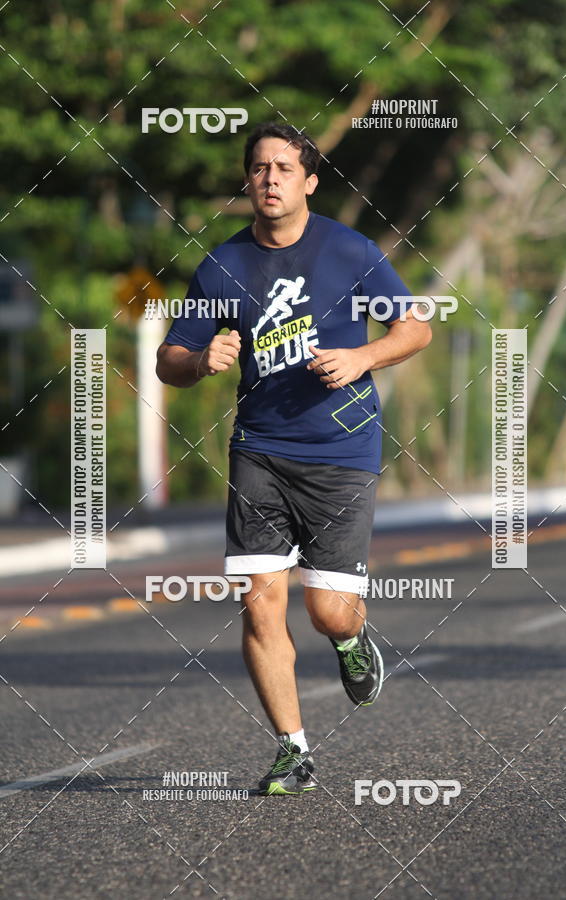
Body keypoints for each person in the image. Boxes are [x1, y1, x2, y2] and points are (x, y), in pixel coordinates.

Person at [156, 122, 432, 796]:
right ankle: (293, 749)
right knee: (259, 602)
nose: (271, 177)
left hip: (342, 447)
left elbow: (416, 327)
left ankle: (349, 640)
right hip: (261, 449)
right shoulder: (223, 265)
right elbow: (170, 361)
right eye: (259, 168)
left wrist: (363, 357)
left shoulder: (349, 251)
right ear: (248, 182)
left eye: (285, 167)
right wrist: (199, 360)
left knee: (329, 610)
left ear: (309, 181)